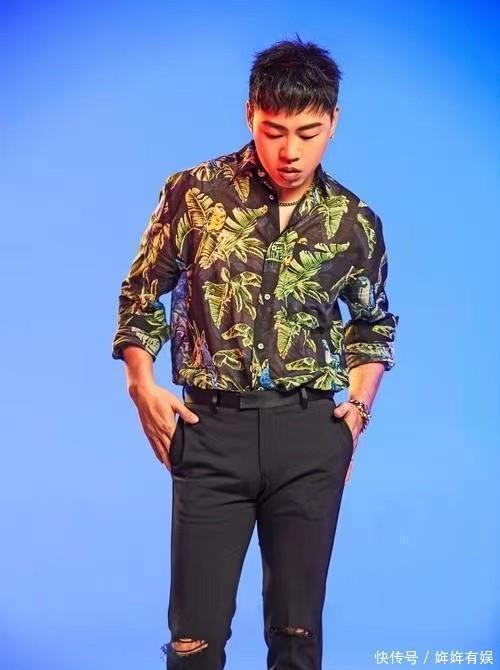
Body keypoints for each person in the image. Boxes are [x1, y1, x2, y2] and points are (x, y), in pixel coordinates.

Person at [111, 34, 399, 670]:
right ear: (250, 115)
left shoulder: (355, 221)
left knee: (297, 638)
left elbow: (372, 324)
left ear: (333, 123)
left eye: (308, 132)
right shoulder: (194, 194)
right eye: (274, 131)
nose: (290, 151)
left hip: (309, 434)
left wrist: (357, 411)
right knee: (193, 641)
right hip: (211, 431)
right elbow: (141, 293)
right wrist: (141, 383)